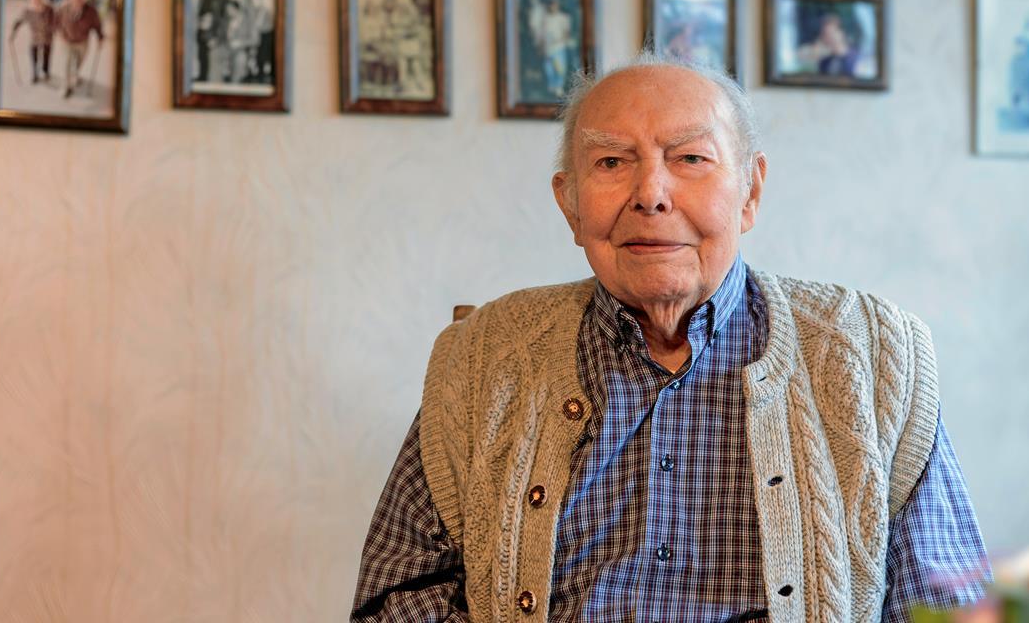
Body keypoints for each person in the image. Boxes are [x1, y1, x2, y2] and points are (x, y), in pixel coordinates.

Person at [350, 55, 990, 623]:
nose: (650, 194)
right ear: (570, 204)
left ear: (750, 191)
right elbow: (397, 595)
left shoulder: (872, 358)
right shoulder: (484, 358)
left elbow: (947, 606)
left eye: (690, 158)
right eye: (610, 162)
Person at [54, 0, 104, 99]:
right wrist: (59, 34)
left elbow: (97, 25)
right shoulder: (62, 7)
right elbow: (55, 22)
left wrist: (100, 37)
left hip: (83, 41)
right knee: (66, 63)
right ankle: (66, 86)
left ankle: (75, 75)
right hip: (66, 41)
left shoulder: (91, 10)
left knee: (79, 62)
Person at [10, 0, 55, 84]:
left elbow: (56, 20)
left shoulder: (49, 8)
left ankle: (45, 71)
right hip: (35, 36)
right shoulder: (28, 10)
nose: (37, 0)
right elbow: (19, 21)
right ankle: (35, 73)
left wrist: (56, 29)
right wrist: (13, 33)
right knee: (34, 54)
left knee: (46, 55)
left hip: (47, 36)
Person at [195, 0, 231, 83]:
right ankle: (202, 77)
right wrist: (206, 28)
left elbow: (226, 16)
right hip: (205, 29)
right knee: (203, 55)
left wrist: (219, 33)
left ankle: (214, 78)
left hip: (218, 31)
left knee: (216, 56)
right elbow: (202, 14)